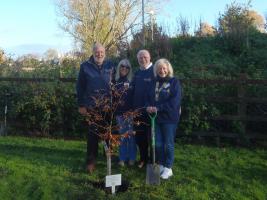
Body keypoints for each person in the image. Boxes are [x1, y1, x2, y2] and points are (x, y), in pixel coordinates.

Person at [76, 43, 115, 173]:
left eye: (102, 52)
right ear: (93, 52)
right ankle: (91, 161)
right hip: (91, 106)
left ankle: (108, 157)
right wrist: (81, 105)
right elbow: (80, 87)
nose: (99, 54)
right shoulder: (85, 66)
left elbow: (115, 84)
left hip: (107, 106)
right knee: (93, 135)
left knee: (107, 133)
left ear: (105, 53)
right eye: (97, 52)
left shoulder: (110, 65)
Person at [146, 58, 182, 179]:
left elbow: (174, 102)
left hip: (169, 118)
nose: (162, 71)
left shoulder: (174, 82)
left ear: (168, 69)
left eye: (164, 68)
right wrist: (148, 107)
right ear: (156, 70)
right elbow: (148, 97)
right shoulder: (153, 82)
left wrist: (158, 108)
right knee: (158, 144)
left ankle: (168, 167)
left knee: (168, 144)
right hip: (155, 118)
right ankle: (160, 164)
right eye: (159, 68)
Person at [129, 49, 155, 168]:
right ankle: (143, 159)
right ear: (137, 59)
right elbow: (132, 90)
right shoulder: (137, 73)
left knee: (152, 139)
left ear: (150, 57)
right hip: (137, 112)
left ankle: (153, 161)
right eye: (140, 57)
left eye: (145, 57)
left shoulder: (155, 71)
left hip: (151, 112)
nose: (142, 59)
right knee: (140, 138)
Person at [114, 59, 137, 167]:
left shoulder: (133, 80)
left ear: (129, 69)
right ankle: (122, 158)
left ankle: (132, 158)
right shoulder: (115, 80)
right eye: (122, 66)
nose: (124, 68)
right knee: (122, 136)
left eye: (127, 67)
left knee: (131, 137)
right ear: (119, 67)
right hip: (119, 113)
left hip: (130, 113)